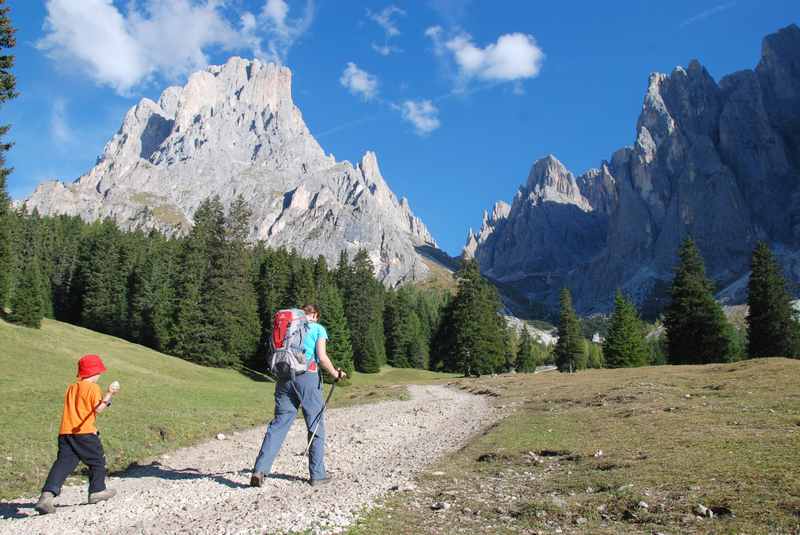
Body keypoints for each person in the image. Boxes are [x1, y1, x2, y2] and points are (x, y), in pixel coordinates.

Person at [251, 303, 347, 487]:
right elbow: (322, 357)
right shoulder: (318, 328)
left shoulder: (288, 327)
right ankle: (317, 475)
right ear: (316, 315)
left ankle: (260, 470)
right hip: (308, 377)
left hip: (284, 377)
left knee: (279, 424)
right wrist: (336, 374)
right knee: (315, 424)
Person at [35, 354, 120, 514]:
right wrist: (109, 394)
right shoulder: (93, 388)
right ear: (94, 372)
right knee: (97, 460)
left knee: (63, 463)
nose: (100, 375)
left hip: (65, 432)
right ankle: (97, 491)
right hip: (85, 432)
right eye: (99, 372)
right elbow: (98, 409)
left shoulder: (71, 388)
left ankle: (46, 496)